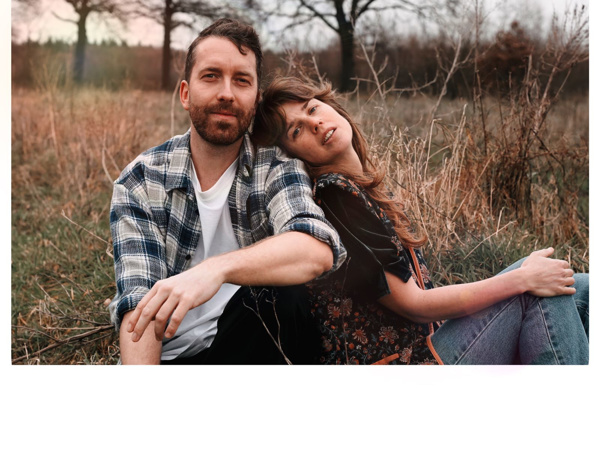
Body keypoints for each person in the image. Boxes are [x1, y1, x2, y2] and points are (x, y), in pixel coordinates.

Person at [252, 76, 589, 365]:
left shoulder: (356, 187)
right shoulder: (336, 197)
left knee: (580, 287)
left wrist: (523, 278)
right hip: (405, 366)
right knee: (540, 289)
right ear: (294, 155)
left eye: (312, 109)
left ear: (331, 106)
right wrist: (521, 279)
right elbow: (415, 306)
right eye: (297, 130)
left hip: (427, 345)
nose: (314, 123)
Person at [109, 20, 346, 365]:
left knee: (283, 297)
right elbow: (138, 310)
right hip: (173, 360)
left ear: (256, 99)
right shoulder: (141, 180)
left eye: (242, 80)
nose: (226, 93)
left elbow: (315, 248)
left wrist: (214, 270)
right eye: (211, 76)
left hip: (251, 345)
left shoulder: (276, 164)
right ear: (185, 94)